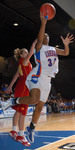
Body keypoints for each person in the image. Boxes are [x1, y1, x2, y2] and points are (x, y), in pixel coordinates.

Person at [0, 14, 74, 143]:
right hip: (37, 76)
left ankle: (32, 128)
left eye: (47, 35)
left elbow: (66, 53)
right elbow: (39, 39)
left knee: (39, 107)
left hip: (48, 80)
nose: (46, 36)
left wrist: (66, 44)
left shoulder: (53, 49)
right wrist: (43, 23)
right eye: (44, 36)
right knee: (34, 100)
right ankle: (13, 101)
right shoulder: (40, 48)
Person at [4, 39, 37, 146]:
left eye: (27, 52)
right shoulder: (25, 61)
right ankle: (21, 136)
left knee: (18, 111)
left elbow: (16, 76)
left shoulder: (21, 63)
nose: (27, 53)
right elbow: (32, 52)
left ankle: (14, 130)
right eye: (25, 52)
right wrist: (34, 43)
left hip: (20, 87)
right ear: (22, 55)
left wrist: (10, 86)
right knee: (22, 113)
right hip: (23, 88)